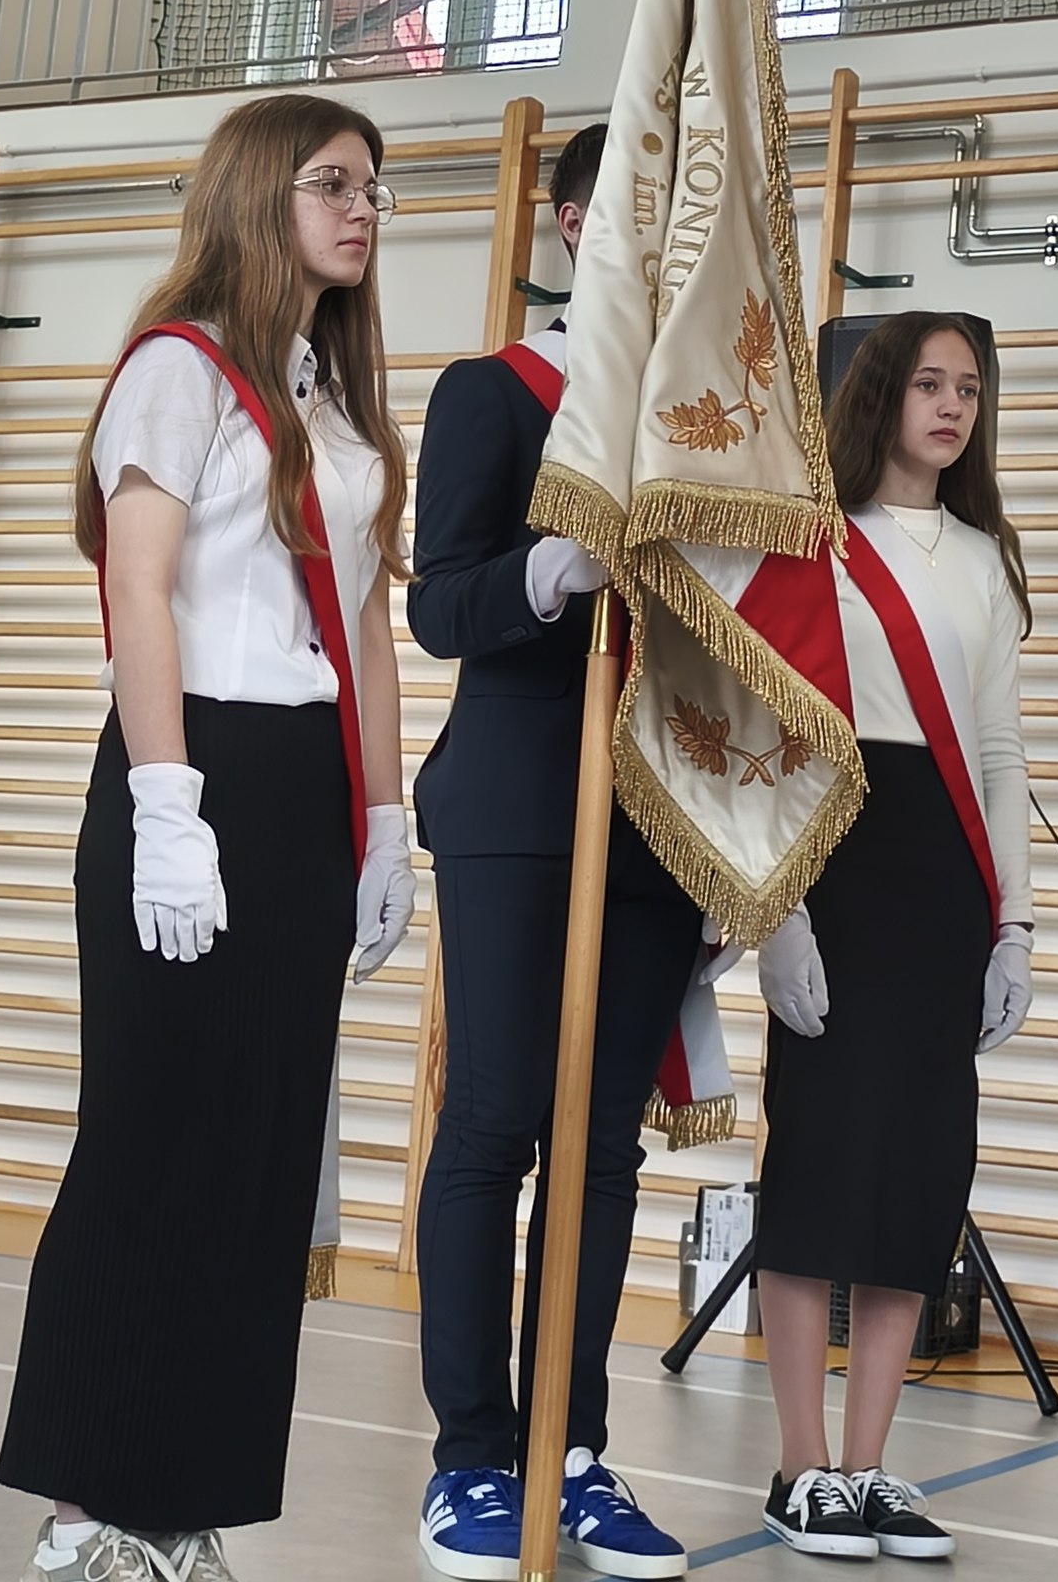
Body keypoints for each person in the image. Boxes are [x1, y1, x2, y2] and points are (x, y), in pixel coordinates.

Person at [0, 93, 417, 1582]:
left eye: (373, 187)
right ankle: (80, 1512)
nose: (363, 209)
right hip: (193, 770)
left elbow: (366, 625)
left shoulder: (335, 405)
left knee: (256, 1162)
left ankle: (177, 1505)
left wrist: (385, 820)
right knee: (152, 1139)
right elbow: (141, 589)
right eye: (333, 182)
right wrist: (166, 806)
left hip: (305, 785)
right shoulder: (178, 369)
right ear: (256, 195)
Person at [410, 124, 698, 1582]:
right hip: (521, 801)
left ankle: (567, 1452)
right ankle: (471, 1454)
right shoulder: (498, 390)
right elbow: (438, 607)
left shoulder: (711, 417)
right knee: (496, 1124)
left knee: (602, 1150)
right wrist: (547, 572)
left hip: (662, 810)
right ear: (578, 223)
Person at [747, 312, 1034, 1561]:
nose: (952, 404)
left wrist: (1015, 923)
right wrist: (776, 908)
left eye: (968, 386)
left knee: (920, 1170)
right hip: (834, 856)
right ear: (880, 395)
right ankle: (798, 1465)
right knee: (820, 1164)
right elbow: (767, 728)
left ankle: (866, 1465)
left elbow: (1000, 752)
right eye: (928, 382)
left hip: (943, 879)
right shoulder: (811, 538)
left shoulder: (984, 558)